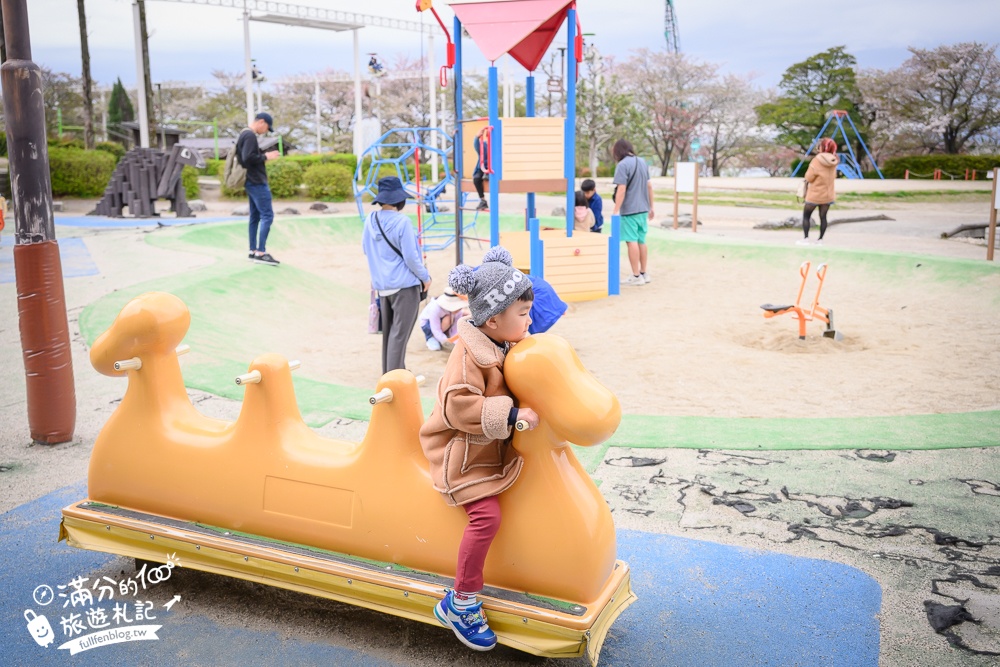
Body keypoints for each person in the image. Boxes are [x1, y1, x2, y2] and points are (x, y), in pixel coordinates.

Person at [419, 246, 539, 652]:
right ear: (492, 319)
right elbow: (458, 406)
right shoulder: (468, 357)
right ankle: (461, 600)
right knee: (486, 517)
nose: (530, 319)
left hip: (488, 450)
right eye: (522, 314)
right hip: (463, 455)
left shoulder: (504, 342)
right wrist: (511, 415)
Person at [362, 176, 432, 373]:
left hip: (382, 287)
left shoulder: (370, 219)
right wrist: (426, 278)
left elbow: (365, 249)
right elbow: (411, 257)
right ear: (399, 200)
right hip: (404, 286)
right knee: (400, 335)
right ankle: (394, 376)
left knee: (390, 335)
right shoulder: (402, 222)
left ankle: (392, 371)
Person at [237, 112, 282, 266]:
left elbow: (246, 156)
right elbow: (248, 158)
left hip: (250, 181)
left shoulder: (243, 134)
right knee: (267, 216)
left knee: (255, 216)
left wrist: (262, 154)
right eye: (267, 127)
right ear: (261, 122)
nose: (265, 131)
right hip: (256, 181)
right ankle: (261, 252)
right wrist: (266, 157)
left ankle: (252, 250)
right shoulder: (249, 135)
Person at [611, 139, 654, 285]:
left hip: (630, 210)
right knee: (642, 240)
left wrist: (616, 209)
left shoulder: (622, 165)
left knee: (631, 241)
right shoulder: (642, 162)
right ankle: (643, 273)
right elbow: (649, 186)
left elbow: (621, 189)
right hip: (643, 209)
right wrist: (651, 207)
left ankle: (636, 276)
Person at [799, 138, 839, 246]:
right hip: (828, 194)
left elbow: (809, 177)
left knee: (806, 216)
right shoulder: (834, 160)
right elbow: (834, 176)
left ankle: (806, 239)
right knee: (823, 217)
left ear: (822, 147)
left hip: (815, 193)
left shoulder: (817, 160)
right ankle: (820, 240)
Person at [472, 126, 489, 212]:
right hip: (483, 168)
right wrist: (477, 137)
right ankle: (482, 200)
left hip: (493, 169)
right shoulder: (484, 145)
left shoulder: (498, 146)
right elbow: (477, 146)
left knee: (489, 174)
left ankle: (487, 175)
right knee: (476, 179)